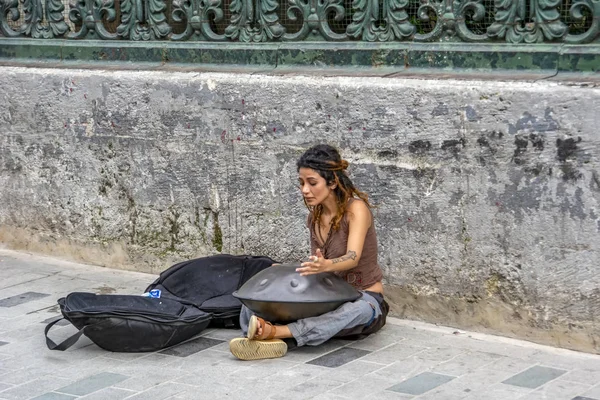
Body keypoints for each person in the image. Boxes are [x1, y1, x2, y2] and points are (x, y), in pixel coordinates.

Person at [229, 144, 389, 360]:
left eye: (312, 183)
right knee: (256, 295)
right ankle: (263, 332)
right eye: (302, 183)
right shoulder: (314, 217)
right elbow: (319, 265)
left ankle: (278, 332)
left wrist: (326, 266)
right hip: (329, 299)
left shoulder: (356, 210)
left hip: (365, 298)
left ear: (332, 182)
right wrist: (288, 272)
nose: (305, 190)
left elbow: (353, 257)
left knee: (357, 312)